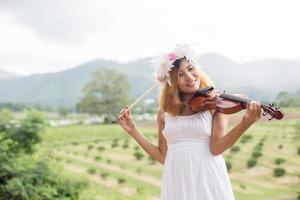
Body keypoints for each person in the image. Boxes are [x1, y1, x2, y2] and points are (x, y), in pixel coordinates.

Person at [117, 44, 261, 200]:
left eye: (191, 68)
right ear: (172, 81)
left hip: (208, 177)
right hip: (177, 180)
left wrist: (245, 123)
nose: (190, 76)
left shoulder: (216, 104)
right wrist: (133, 131)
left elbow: (216, 148)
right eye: (180, 74)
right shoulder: (164, 112)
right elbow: (163, 157)